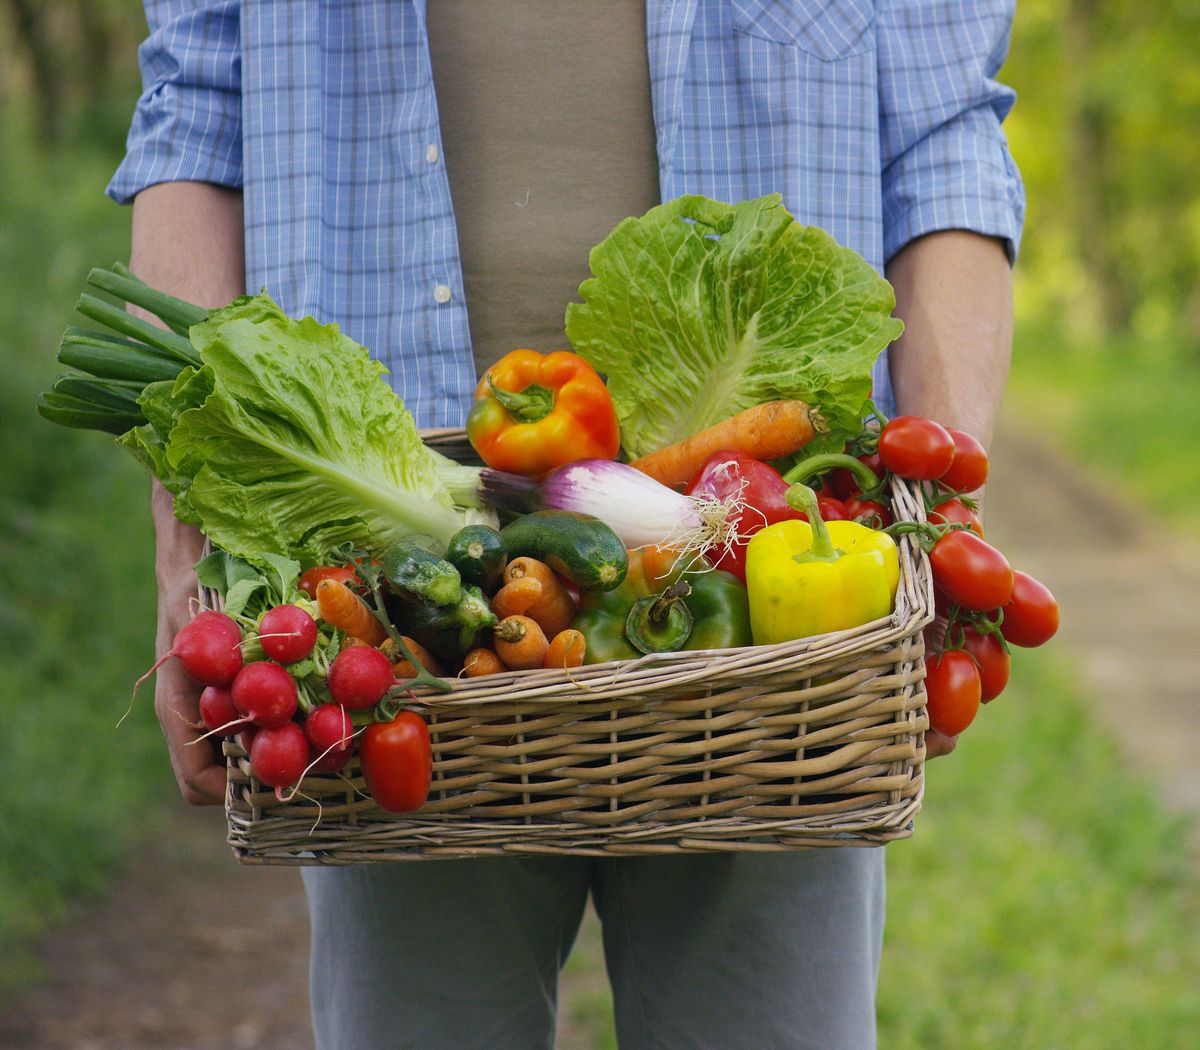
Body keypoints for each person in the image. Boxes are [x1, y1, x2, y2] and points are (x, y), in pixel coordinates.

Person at [111, 3, 1022, 1047]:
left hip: (771, 590)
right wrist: (189, 551)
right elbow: (196, 122)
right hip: (390, 599)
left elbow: (944, 138)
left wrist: (941, 521)